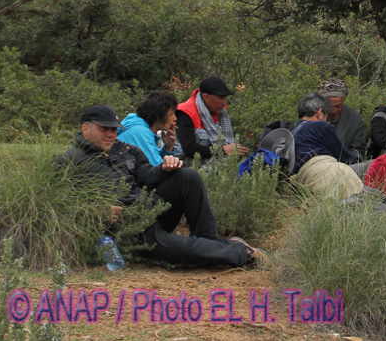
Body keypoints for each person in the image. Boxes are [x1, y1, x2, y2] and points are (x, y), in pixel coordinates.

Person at [58, 105, 260, 268]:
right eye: (104, 128)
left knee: (187, 175)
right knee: (181, 249)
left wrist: (164, 168)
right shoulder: (68, 161)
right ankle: (241, 253)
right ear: (85, 128)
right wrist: (96, 212)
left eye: (113, 129)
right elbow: (58, 206)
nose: (110, 134)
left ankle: (209, 242)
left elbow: (146, 175)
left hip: (152, 210)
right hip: (130, 231)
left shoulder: (124, 149)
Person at [293, 92, 386, 205]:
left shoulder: (294, 132)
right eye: (326, 116)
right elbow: (345, 157)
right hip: (329, 170)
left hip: (307, 176)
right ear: (320, 113)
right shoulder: (320, 126)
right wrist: (358, 159)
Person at [176, 76, 250, 162]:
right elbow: (189, 148)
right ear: (206, 97)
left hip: (208, 161)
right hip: (185, 164)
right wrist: (222, 150)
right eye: (221, 98)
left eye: (225, 98)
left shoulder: (220, 111)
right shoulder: (185, 113)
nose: (224, 102)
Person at [118, 90, 183, 166]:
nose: (175, 118)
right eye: (171, 114)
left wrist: (168, 147)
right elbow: (157, 169)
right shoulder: (140, 132)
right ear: (158, 115)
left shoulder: (143, 129)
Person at [318, 78, 367, 159]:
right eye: (330, 106)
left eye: (338, 106)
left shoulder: (354, 118)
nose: (334, 111)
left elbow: (357, 150)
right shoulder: (311, 115)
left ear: (343, 101)